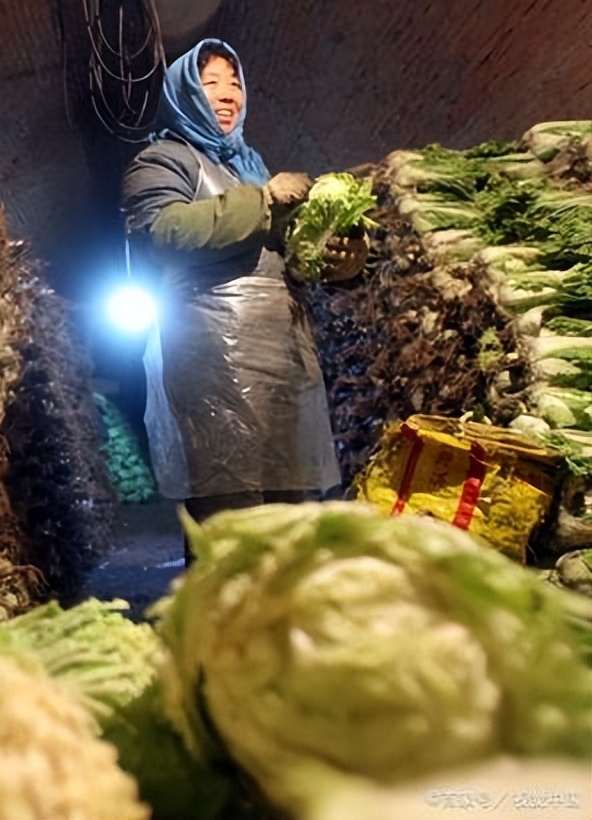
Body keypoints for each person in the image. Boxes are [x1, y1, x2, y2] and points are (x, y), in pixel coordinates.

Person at [121, 38, 364, 553]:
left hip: (284, 362)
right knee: (230, 518)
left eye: (235, 83)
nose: (227, 95)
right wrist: (263, 201)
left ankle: (283, 627)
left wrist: (343, 260)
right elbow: (160, 231)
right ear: (185, 93)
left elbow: (299, 258)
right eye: (210, 84)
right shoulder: (163, 160)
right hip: (213, 367)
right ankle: (224, 628)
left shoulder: (249, 164)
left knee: (292, 515)